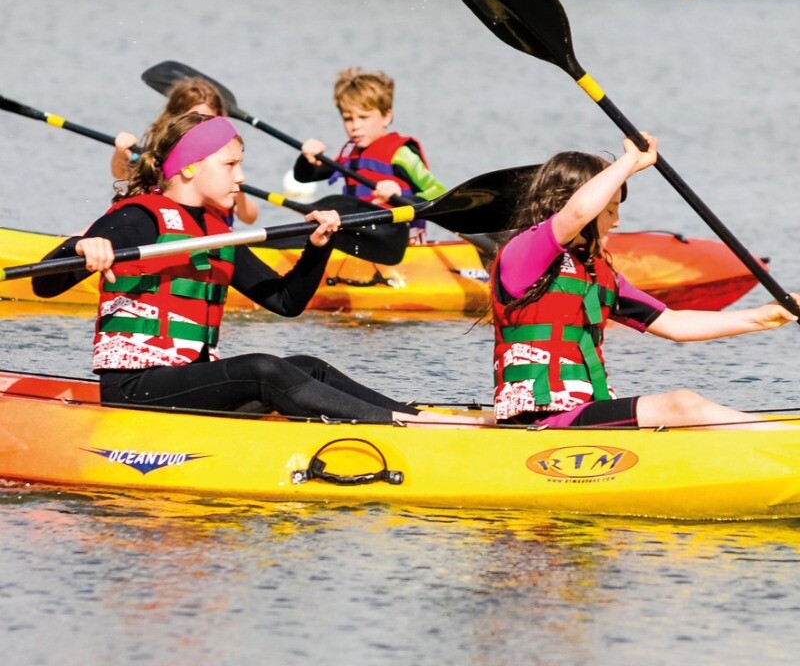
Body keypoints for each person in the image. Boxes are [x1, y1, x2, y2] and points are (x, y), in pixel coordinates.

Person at [33, 113, 483, 427]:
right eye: (230, 165)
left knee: (309, 365)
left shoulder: (214, 230)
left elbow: (285, 302)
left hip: (187, 382)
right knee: (263, 368)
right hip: (134, 388)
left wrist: (317, 248)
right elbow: (44, 282)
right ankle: (399, 427)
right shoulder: (139, 218)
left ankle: (418, 416)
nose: (241, 176)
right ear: (189, 169)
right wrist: (81, 245)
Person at [492, 133, 799, 431]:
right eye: (610, 209)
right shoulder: (524, 256)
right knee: (683, 405)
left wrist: (763, 317)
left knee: (687, 414)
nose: (617, 221)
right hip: (537, 419)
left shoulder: (599, 275)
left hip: (584, 415)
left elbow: (675, 324)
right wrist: (629, 162)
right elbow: (577, 212)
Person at [294, 67, 447, 244]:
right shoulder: (349, 152)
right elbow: (304, 177)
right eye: (348, 118)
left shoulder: (401, 154)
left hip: (402, 244)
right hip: (363, 240)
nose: (355, 126)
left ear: (386, 117)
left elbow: (439, 194)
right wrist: (307, 157)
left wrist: (400, 197)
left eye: (364, 117)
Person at [112, 77, 259, 226]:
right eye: (193, 118)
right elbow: (121, 173)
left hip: (215, 235)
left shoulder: (225, 167)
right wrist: (121, 151)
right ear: (175, 118)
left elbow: (249, 218)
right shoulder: (159, 152)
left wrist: (235, 188)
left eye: (207, 118)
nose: (200, 125)